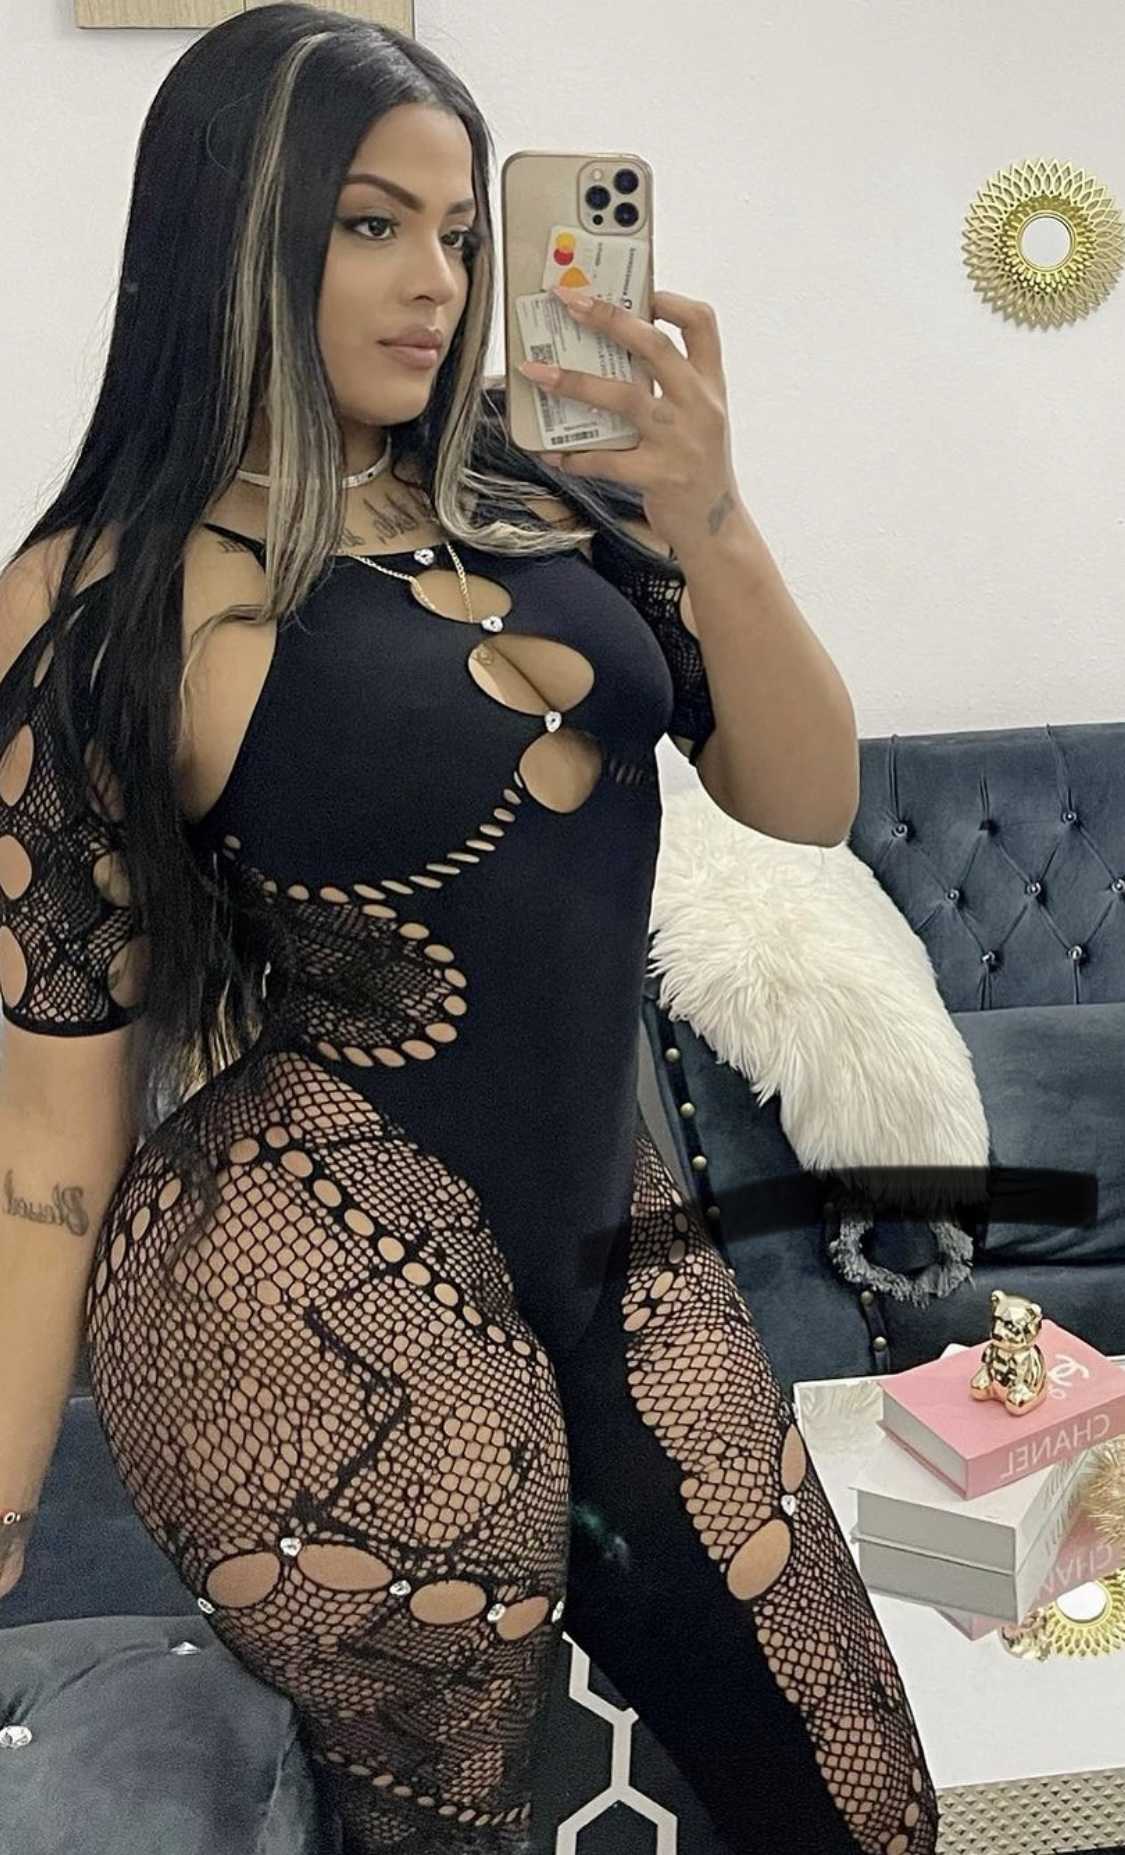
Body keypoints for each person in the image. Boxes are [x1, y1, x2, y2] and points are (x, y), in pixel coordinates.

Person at [0, 6, 939, 1852]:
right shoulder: (101, 595)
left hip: (616, 1242)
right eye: (368, 224)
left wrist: (714, 516)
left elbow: (803, 802)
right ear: (230, 232)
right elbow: (48, 1123)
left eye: (455, 232)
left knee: (859, 1798)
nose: (434, 282)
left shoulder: (546, 484)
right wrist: (8, 1489)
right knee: (447, 1827)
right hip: (308, 1286)